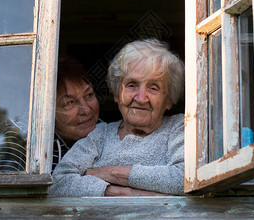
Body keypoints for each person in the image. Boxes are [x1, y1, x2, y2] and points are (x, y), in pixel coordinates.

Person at [50, 39, 185, 196]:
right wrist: (119, 193)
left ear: (168, 100)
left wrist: (110, 173)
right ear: (116, 94)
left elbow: (183, 178)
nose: (141, 98)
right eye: (131, 85)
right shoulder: (99, 134)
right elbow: (59, 183)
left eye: (153, 88)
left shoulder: (179, 127)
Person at [52, 56, 101, 171]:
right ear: (48, 112)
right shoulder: (34, 152)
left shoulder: (114, 134)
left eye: (88, 95)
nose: (86, 110)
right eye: (70, 102)